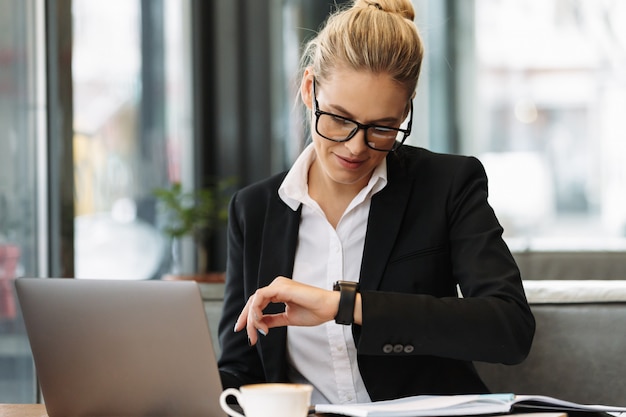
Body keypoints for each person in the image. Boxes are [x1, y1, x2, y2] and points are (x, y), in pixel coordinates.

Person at [217, 0, 535, 405]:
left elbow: (508, 329)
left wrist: (345, 305)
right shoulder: (255, 210)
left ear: (406, 108)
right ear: (309, 89)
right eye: (339, 119)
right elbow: (239, 367)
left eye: (382, 128)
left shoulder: (447, 186)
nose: (355, 147)